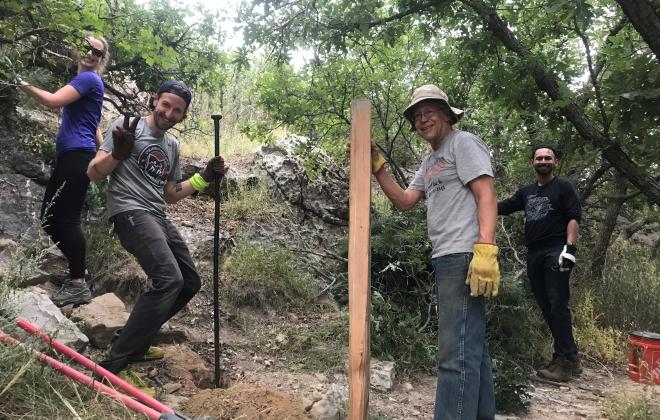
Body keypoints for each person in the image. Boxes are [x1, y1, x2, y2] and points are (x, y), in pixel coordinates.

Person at [86, 80, 227, 392]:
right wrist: (118, 155)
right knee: (168, 278)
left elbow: (170, 194)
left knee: (189, 282)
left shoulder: (172, 146)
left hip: (156, 215)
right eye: (166, 105)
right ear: (154, 101)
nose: (169, 113)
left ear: (183, 116)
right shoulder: (126, 126)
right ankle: (114, 364)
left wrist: (203, 177)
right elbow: (93, 172)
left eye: (177, 110)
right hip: (129, 212)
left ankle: (133, 341)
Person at [370, 84, 499, 420]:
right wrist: (378, 166)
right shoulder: (430, 161)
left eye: (428, 111)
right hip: (446, 256)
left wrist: (486, 247)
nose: (422, 119)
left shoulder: (463, 143)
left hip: (465, 254)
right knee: (472, 349)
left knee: (454, 355)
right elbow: (404, 201)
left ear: (445, 113)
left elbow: (486, 194)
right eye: (416, 116)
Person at [18, 34, 110, 307]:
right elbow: (94, 124)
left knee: (66, 219)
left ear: (101, 60)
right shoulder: (86, 82)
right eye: (87, 47)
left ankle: (79, 284)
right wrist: (102, 155)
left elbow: (53, 101)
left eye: (98, 52)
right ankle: (77, 271)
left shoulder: (88, 79)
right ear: (78, 48)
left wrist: (20, 82)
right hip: (76, 155)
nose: (91, 53)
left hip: (77, 155)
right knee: (49, 217)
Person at [498, 145, 581, 382]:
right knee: (546, 306)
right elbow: (504, 207)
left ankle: (563, 362)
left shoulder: (563, 186)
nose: (543, 160)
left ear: (555, 162)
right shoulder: (526, 192)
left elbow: (574, 217)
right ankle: (572, 358)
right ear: (532, 162)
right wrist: (477, 200)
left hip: (556, 250)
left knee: (558, 304)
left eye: (548, 157)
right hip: (534, 253)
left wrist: (569, 250)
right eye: (539, 158)